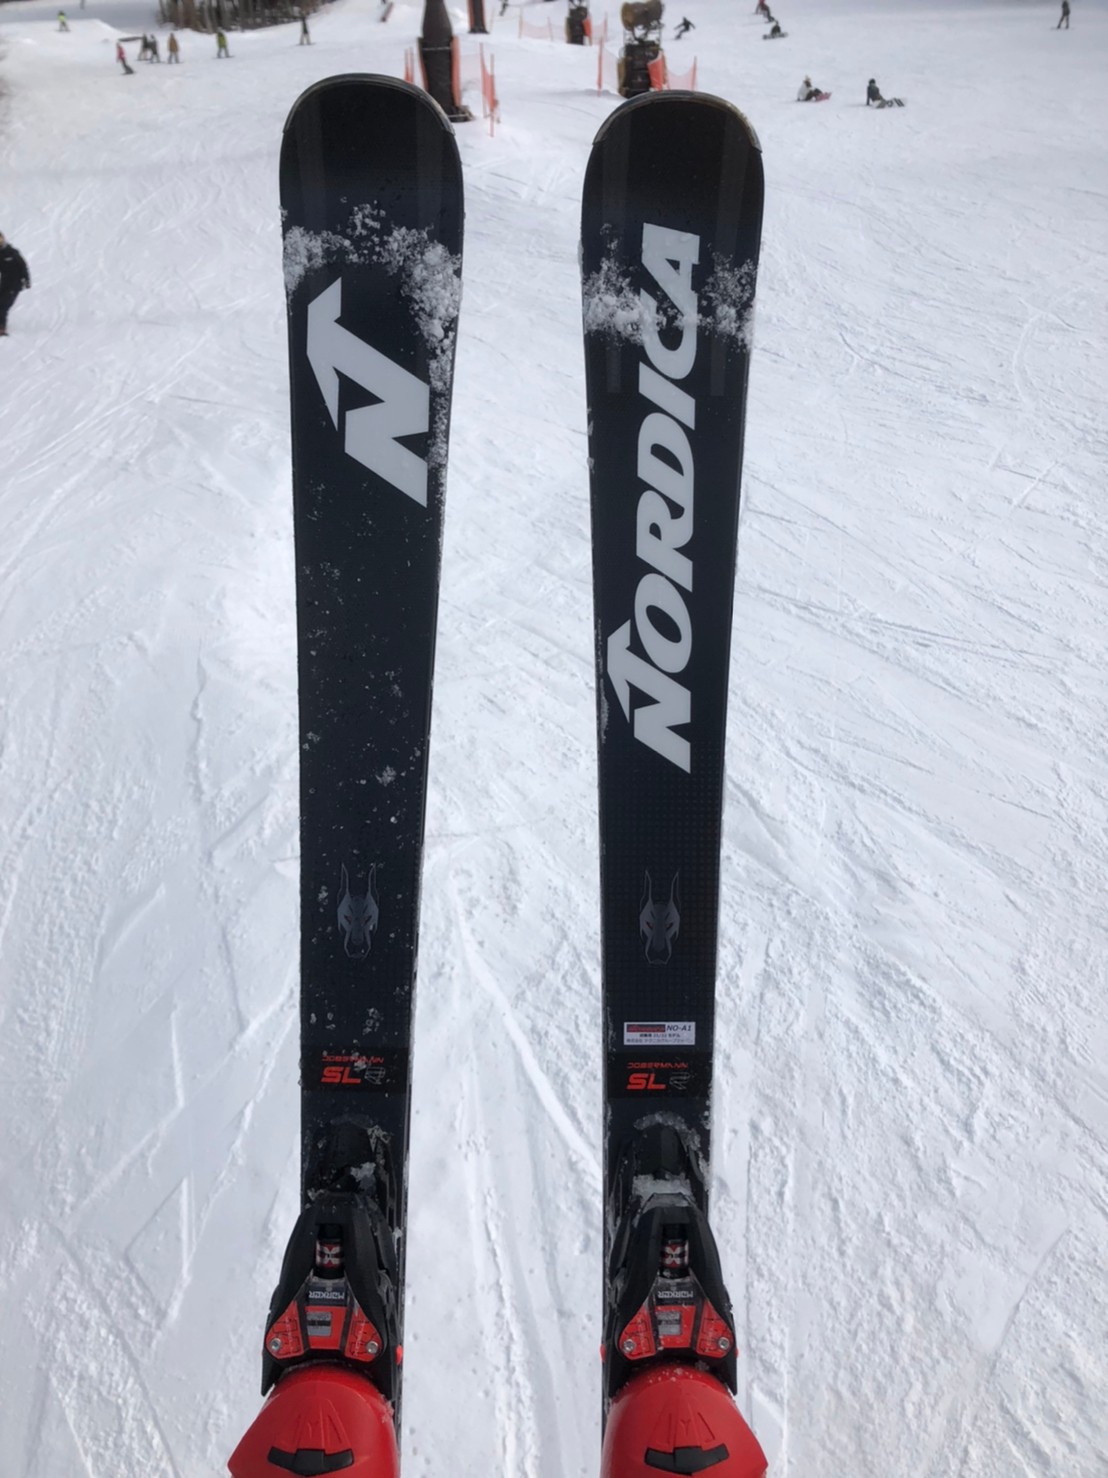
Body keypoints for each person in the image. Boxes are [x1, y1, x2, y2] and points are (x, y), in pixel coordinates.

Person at [0, 232, 31, 337]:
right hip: (4, 283)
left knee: (3, 305)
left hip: (15, 284)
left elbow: (23, 266)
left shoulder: (12, 252)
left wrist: (26, 279)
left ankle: (1, 328)